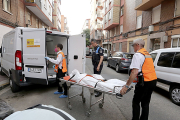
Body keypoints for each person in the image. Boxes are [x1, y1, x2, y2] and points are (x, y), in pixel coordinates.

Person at [120, 38, 157, 120]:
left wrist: (126, 86)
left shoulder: (138, 55)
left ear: (137, 45)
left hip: (144, 82)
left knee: (136, 102)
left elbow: (134, 72)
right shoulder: (147, 54)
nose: (133, 47)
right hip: (152, 81)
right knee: (145, 103)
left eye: (133, 45)